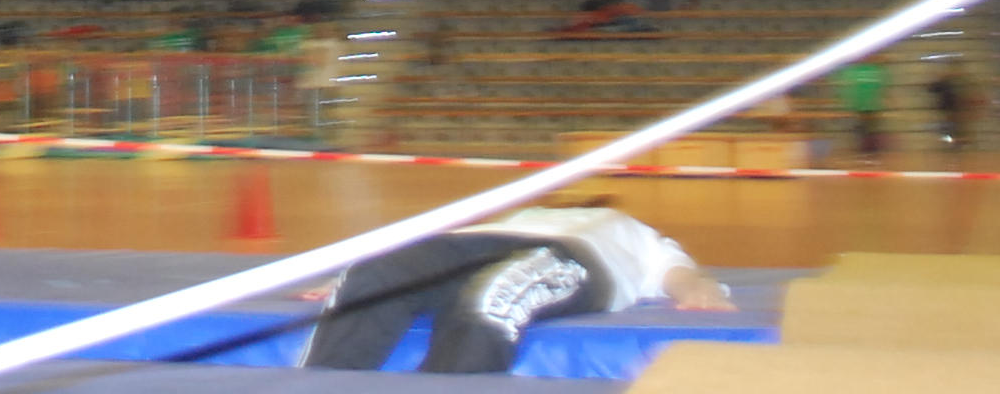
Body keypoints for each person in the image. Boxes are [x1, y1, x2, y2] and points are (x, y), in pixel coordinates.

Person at [300, 203, 732, 374]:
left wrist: (699, 291)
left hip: (572, 256)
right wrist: (353, 278)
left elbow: (682, 273)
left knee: (493, 298)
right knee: (374, 279)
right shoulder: (528, 212)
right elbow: (413, 261)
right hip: (478, 244)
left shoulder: (634, 232)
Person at [834, 56, 889, 159]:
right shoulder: (874, 70)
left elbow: (882, 88)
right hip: (865, 106)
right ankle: (868, 153)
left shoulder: (859, 71)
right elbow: (882, 89)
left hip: (867, 106)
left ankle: (869, 153)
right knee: (866, 131)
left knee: (867, 131)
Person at [929, 62, 975, 151]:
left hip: (956, 112)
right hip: (949, 111)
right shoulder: (947, 82)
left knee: (956, 130)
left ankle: (956, 145)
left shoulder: (960, 81)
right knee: (948, 130)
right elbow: (932, 88)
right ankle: (952, 144)